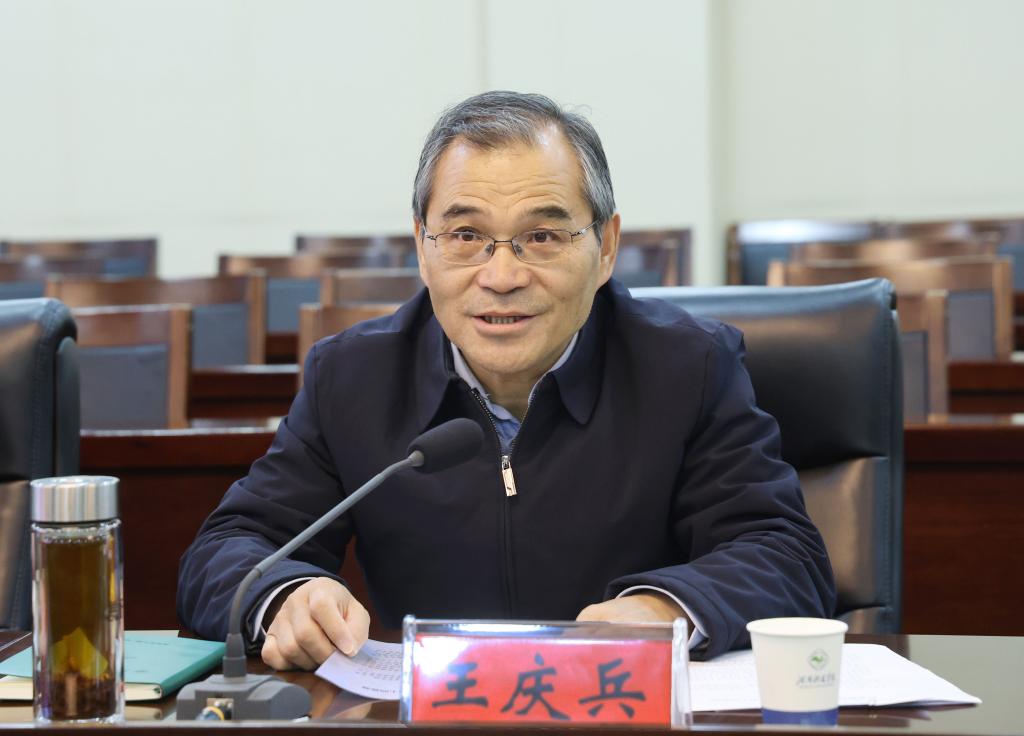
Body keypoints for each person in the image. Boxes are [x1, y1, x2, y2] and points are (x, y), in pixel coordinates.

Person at [177, 91, 835, 670]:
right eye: (465, 235)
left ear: (606, 247)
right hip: (435, 718)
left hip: (619, 714)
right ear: (422, 246)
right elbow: (225, 550)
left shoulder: (688, 367)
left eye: (542, 236)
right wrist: (285, 596)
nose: (501, 276)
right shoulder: (353, 379)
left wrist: (666, 608)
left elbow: (785, 556)